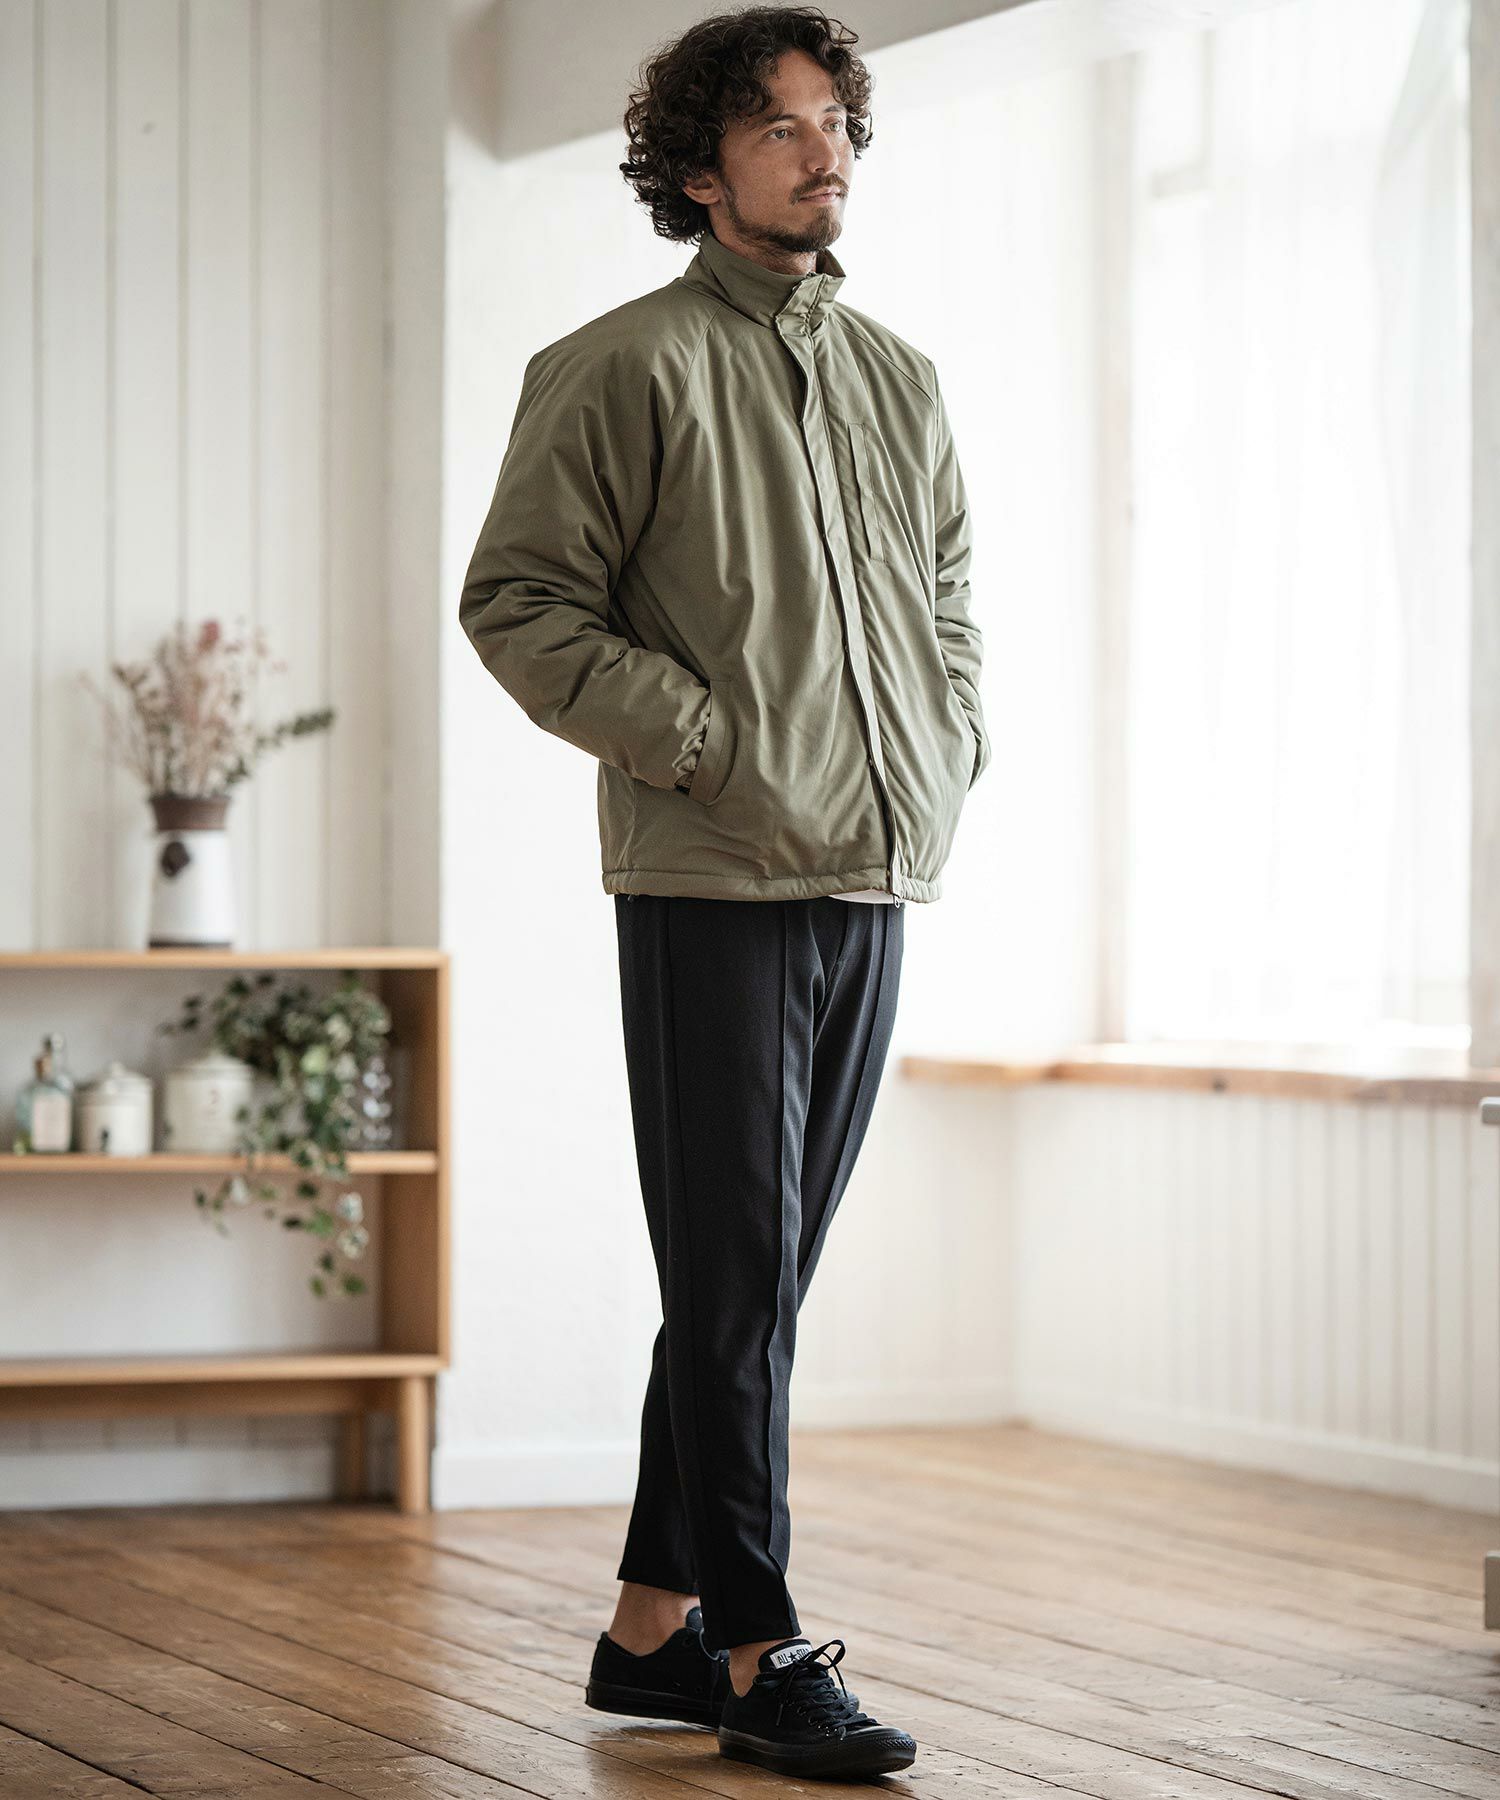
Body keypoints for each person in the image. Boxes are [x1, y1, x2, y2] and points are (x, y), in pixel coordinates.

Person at [458, 4, 989, 1779]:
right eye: (781, 126)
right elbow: (519, 603)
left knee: (751, 1282)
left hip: (876, 869)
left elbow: (947, 600)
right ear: (699, 169)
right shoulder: (621, 367)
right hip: (714, 873)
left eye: (837, 122)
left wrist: (946, 739)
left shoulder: (899, 378)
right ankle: (760, 1655)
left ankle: (647, 1637)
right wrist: (699, 738)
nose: (824, 151)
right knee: (740, 1273)